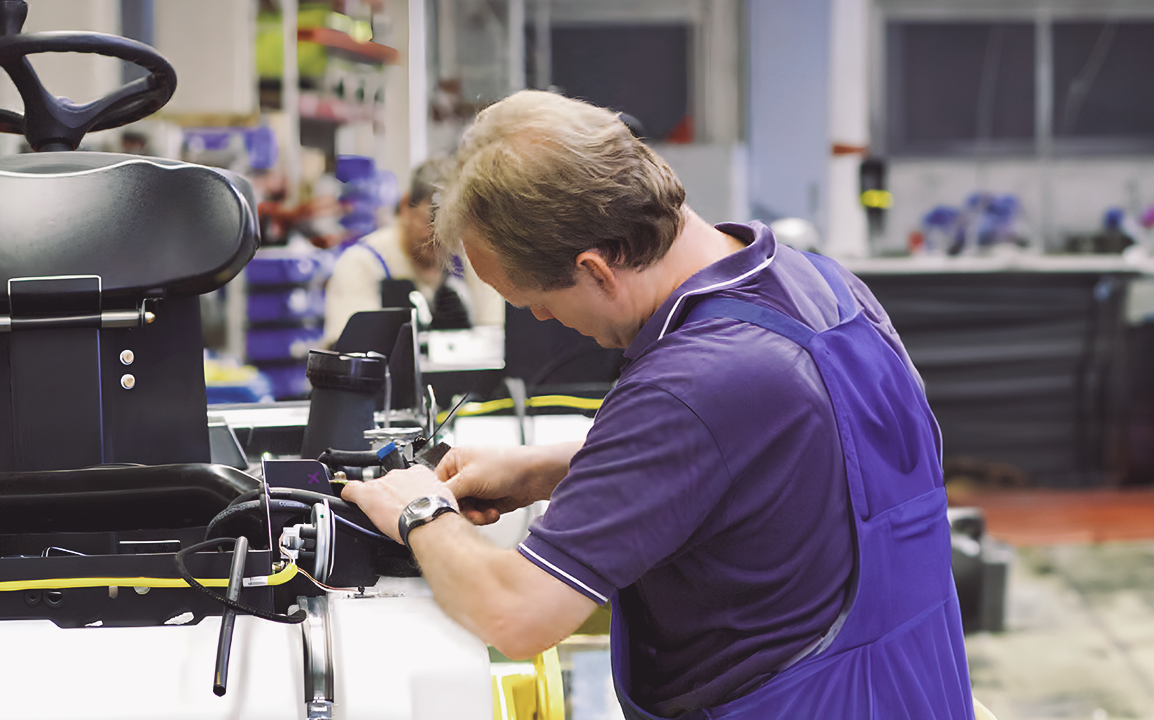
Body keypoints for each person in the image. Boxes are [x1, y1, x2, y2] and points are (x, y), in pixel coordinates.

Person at [341, 90, 974, 719]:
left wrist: (418, 510)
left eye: (536, 300)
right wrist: (549, 468)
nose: (541, 317)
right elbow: (791, 458)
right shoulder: (823, 286)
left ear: (596, 269)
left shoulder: (689, 382)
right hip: (918, 687)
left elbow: (519, 614)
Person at [320, 157, 504, 348]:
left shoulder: (470, 261)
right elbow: (347, 356)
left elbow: (494, 336)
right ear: (406, 206)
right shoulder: (362, 264)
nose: (439, 238)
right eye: (431, 221)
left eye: (452, 227)